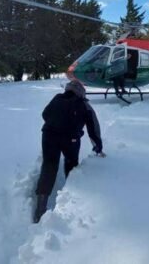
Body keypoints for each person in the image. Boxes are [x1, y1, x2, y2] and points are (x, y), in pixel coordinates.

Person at [33, 80, 104, 223]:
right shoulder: (84, 105)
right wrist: (98, 147)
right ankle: (69, 195)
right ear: (81, 92)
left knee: (49, 166)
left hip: (48, 135)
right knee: (71, 165)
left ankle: (40, 209)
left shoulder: (57, 98)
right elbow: (93, 128)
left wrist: (56, 123)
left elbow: (45, 114)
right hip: (70, 139)